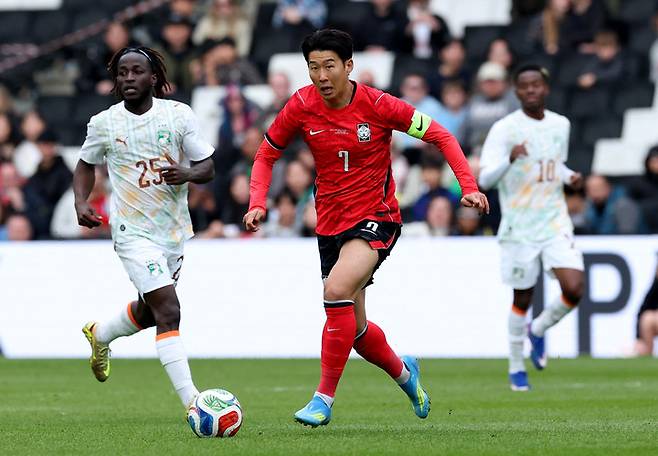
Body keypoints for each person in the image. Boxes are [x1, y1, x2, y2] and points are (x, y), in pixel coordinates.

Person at [243, 29, 488, 426]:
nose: (321, 76)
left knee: (336, 290)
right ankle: (407, 375)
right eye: (313, 67)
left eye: (329, 66)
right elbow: (266, 154)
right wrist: (257, 202)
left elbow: (441, 135)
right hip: (330, 224)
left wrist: (469, 186)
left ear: (348, 66)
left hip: (377, 217)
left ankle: (322, 400)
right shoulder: (301, 105)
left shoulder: (378, 105)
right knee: (355, 330)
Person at [73, 47, 215, 413]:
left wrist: (187, 173)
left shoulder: (178, 115)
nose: (128, 78)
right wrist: (81, 201)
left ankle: (101, 334)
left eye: (136, 71)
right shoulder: (105, 123)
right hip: (132, 232)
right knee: (169, 310)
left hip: (173, 231)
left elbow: (207, 166)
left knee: (151, 311)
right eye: (122, 73)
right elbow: (85, 164)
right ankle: (193, 403)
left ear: (153, 78)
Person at [479, 64, 585, 392]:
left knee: (575, 287)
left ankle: (537, 330)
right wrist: (510, 159)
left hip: (554, 220)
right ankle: (515, 366)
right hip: (519, 225)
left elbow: (553, 164)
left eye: (535, 85)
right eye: (524, 86)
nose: (530, 90)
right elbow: (485, 179)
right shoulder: (504, 129)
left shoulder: (560, 125)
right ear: (516, 91)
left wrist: (568, 176)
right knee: (522, 297)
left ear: (545, 88)